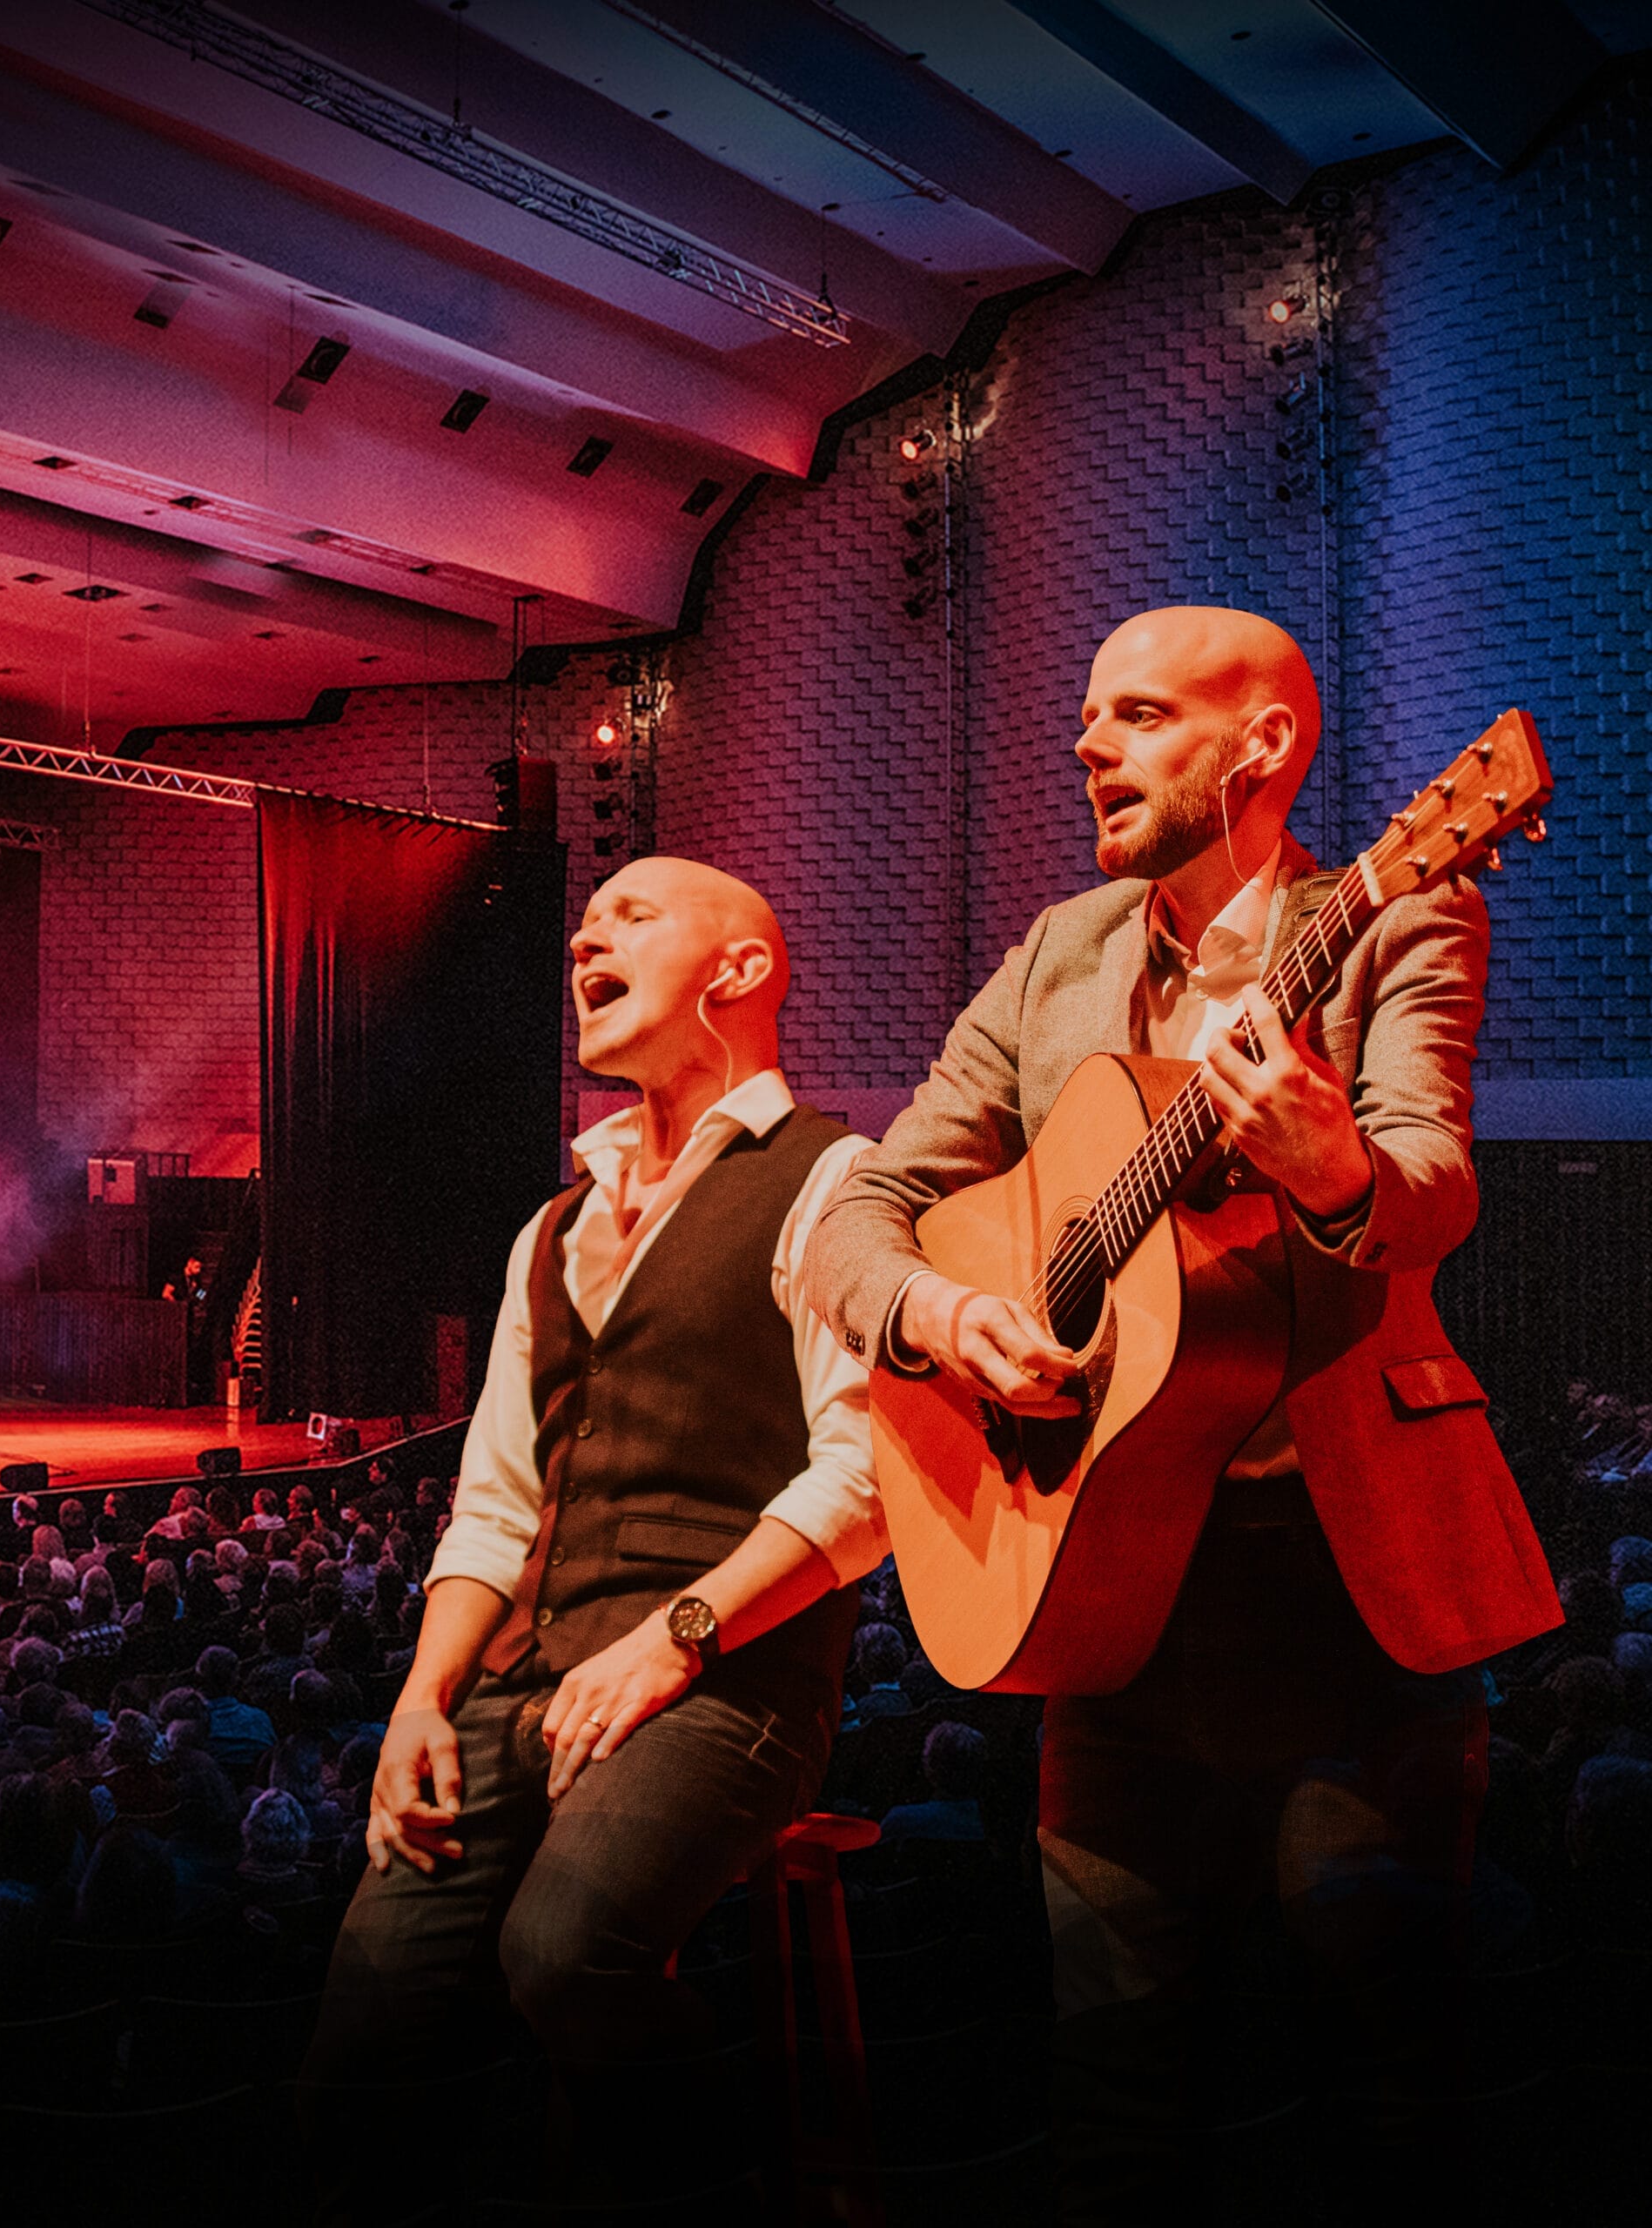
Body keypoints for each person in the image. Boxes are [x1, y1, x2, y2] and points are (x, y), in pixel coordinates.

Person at [805, 607, 1563, 2219]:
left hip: (1348, 1590)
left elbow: (1431, 1183)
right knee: (1114, 2090)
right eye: (1091, 716)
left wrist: (1328, 1163)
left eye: (1139, 715)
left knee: (1382, 2079)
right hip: (1106, 1600)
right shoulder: (1054, 958)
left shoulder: (1397, 913)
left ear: (1265, 749)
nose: (1089, 743)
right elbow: (866, 1213)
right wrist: (945, 1316)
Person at [299, 856, 887, 2217]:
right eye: (586, 922)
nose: (582, 937)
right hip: (524, 1675)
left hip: (729, 1679)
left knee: (568, 1957)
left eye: (630, 917)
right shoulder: (552, 1224)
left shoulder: (834, 1180)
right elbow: (497, 1500)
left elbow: (863, 1485)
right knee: (364, 2037)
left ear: (738, 972)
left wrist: (675, 1640)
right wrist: (422, 1697)